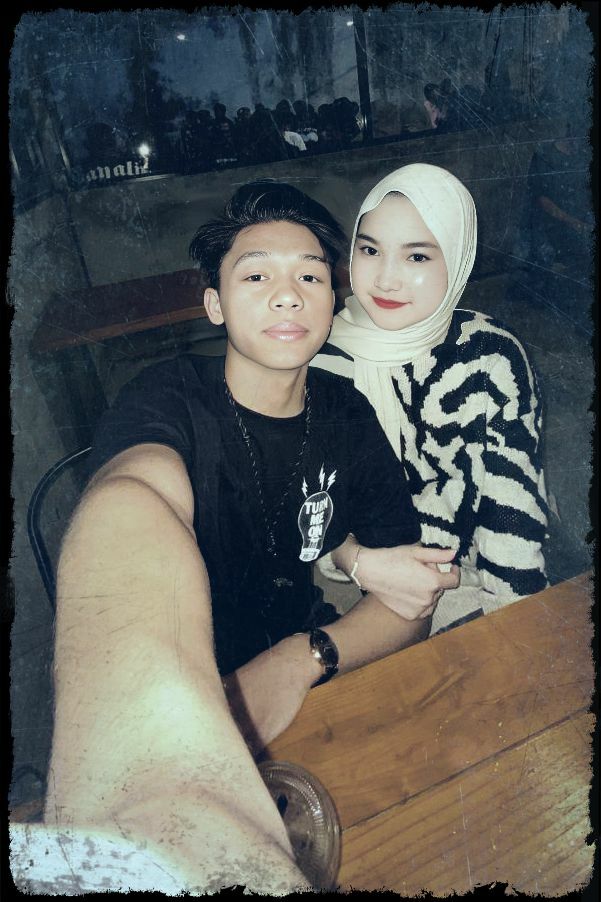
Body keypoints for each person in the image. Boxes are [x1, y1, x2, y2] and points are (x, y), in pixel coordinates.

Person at [43, 180, 458, 887]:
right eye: (256, 276)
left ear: (333, 299)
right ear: (214, 303)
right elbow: (130, 503)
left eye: (310, 277)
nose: (287, 295)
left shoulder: (345, 411)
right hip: (176, 698)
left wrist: (302, 659)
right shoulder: (167, 396)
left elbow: (408, 601)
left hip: (309, 680)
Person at [312, 164, 549, 633]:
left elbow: (511, 522)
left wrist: (514, 629)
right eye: (370, 250)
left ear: (457, 259)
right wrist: (355, 561)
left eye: (417, 256)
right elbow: (309, 503)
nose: (386, 280)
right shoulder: (323, 358)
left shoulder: (489, 356)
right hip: (357, 582)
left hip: (474, 580)